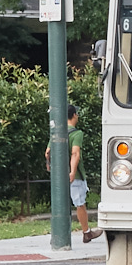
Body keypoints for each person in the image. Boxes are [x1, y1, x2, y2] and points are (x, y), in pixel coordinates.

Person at [46, 104, 102, 243]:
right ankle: (86, 232)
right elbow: (75, 153)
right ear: (74, 115)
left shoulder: (56, 133)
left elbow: (47, 152)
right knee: (80, 204)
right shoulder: (77, 134)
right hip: (75, 176)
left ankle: (57, 236)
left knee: (61, 204)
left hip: (58, 175)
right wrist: (72, 171)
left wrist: (50, 167)